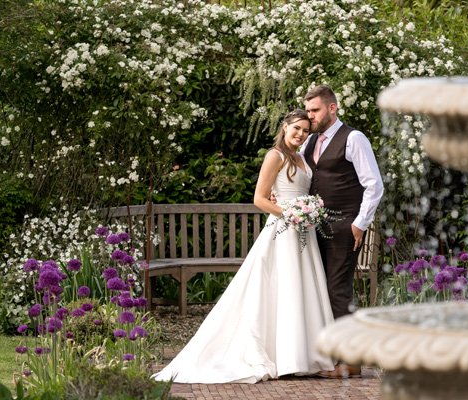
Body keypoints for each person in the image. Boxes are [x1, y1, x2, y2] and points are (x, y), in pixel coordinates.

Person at [152, 109, 335, 384]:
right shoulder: (275, 156)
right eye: (296, 128)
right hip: (284, 229)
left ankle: (302, 355)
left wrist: (307, 210)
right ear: (284, 126)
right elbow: (259, 199)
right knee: (283, 287)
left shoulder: (301, 157)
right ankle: (285, 357)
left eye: (305, 131)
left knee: (302, 288)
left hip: (303, 231)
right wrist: (289, 213)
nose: (300, 134)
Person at [301, 85, 384, 378]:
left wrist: (359, 222)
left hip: (344, 225)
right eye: (308, 111)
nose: (310, 116)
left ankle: (351, 361)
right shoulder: (309, 141)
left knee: (338, 289)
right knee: (318, 287)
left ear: (332, 108)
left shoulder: (354, 138)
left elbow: (374, 184)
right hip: (315, 226)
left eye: (315, 110)